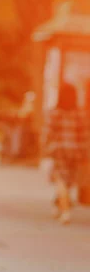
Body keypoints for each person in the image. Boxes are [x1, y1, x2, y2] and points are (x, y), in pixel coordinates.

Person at [42, 83, 90, 224]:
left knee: (61, 180)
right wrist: (85, 151)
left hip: (59, 150)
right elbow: (85, 135)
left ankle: (65, 211)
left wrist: (45, 149)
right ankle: (60, 204)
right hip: (75, 150)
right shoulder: (80, 114)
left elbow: (48, 133)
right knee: (68, 181)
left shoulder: (54, 113)